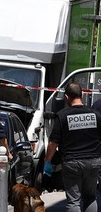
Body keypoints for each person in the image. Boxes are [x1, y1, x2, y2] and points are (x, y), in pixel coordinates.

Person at [44, 82, 101, 212]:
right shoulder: (95, 114)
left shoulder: (62, 115)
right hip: (93, 162)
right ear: (82, 95)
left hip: (72, 162)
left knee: (74, 201)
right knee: (91, 197)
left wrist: (47, 161)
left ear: (66, 97)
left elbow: (53, 143)